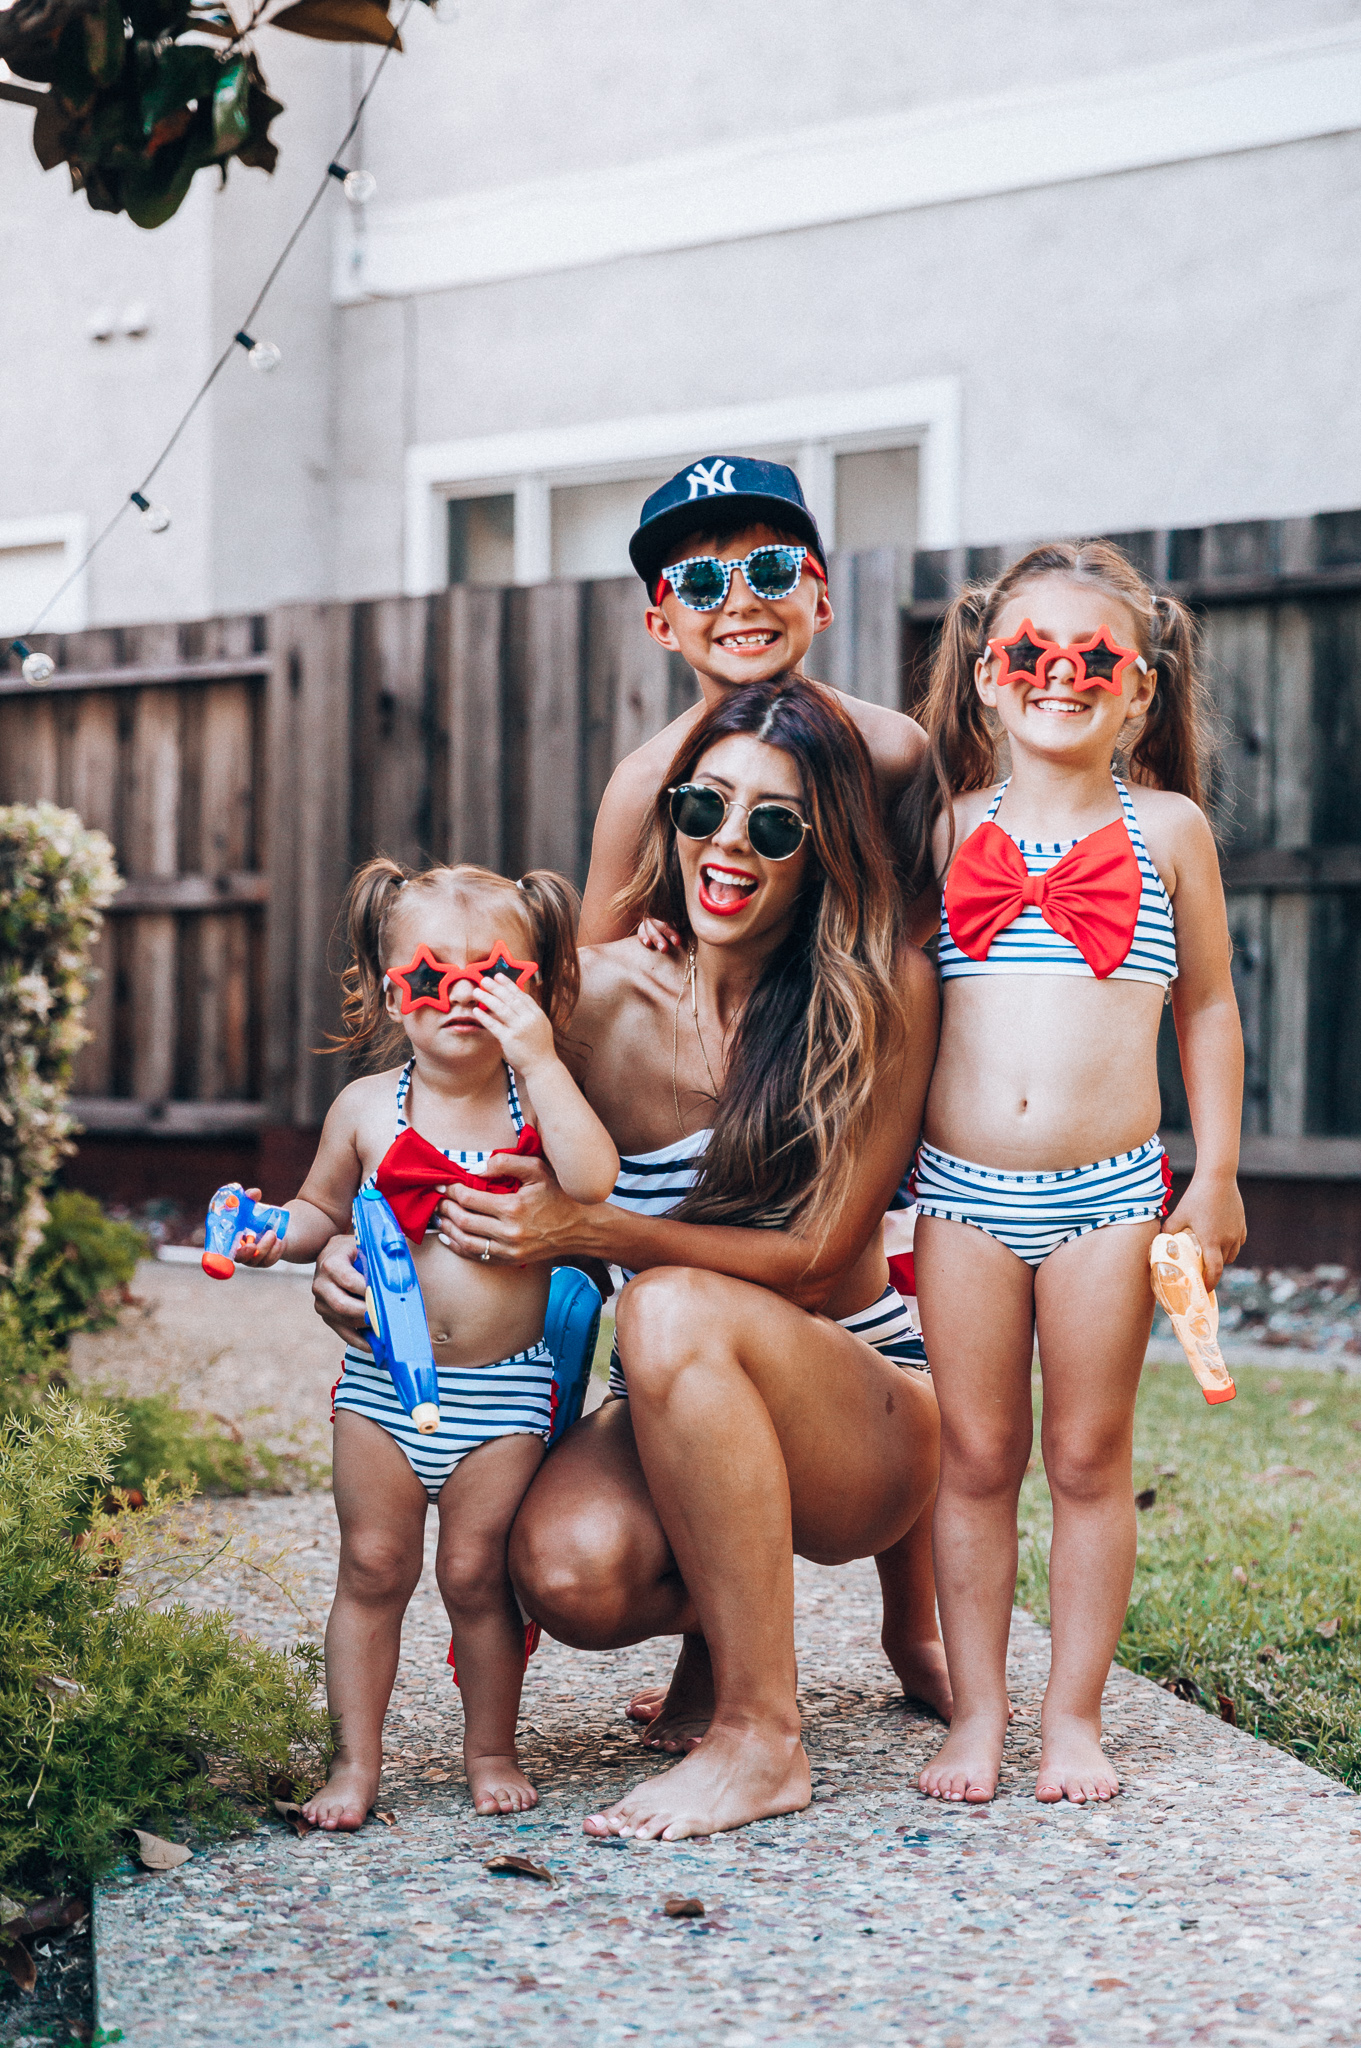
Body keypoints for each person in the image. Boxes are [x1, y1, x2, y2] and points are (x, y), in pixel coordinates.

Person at [311, 676, 945, 1841]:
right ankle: (720, 1628)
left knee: (660, 1307)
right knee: (565, 1568)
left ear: (824, 850)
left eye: (774, 824)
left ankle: (763, 1735)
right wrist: (351, 1250)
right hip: (675, 1401)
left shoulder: (874, 990)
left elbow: (814, 1256)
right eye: (705, 808)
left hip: (863, 1408)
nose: (727, 844)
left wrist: (594, 1230)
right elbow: (446, 1126)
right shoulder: (586, 998)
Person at [897, 541, 1247, 1807]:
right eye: (1027, 653)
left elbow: (1205, 1007)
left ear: (1139, 688)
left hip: (1108, 1192)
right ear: (984, 679)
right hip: (958, 1194)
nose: (1060, 672)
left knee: (1089, 1456)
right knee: (975, 1457)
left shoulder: (1166, 830)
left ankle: (1073, 1715)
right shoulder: (942, 830)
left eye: (1092, 657)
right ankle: (977, 1714)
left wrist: (1213, 1175)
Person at [234, 860, 618, 1828]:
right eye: (427, 975)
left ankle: (489, 1745)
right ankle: (353, 1761)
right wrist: (274, 1235)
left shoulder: (540, 1103)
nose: (457, 997)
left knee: (476, 1576)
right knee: (371, 1568)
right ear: (379, 985)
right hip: (379, 1386)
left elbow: (594, 1176)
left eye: (490, 978)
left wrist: (539, 1058)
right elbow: (320, 1206)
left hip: (503, 1395)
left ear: (537, 989)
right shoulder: (364, 1108)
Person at [578, 456, 927, 944]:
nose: (742, 602)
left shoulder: (893, 750)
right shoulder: (643, 787)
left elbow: (924, 928)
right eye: (699, 581)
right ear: (662, 626)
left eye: (773, 570)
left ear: (821, 604)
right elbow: (595, 971)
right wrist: (643, 950)